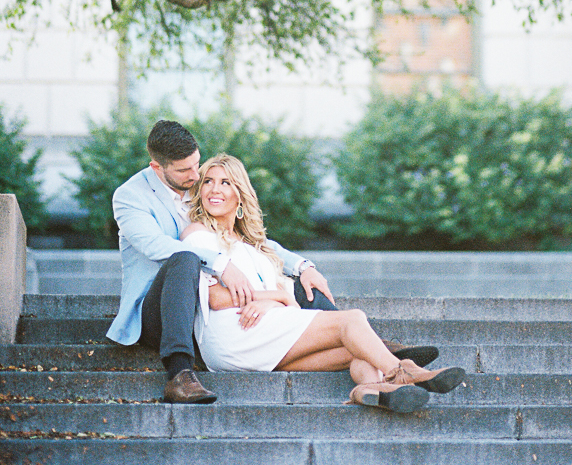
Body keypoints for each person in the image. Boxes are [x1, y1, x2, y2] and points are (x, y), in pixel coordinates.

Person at [106, 120, 436, 404]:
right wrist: (228, 269)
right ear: (157, 167)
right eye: (189, 172)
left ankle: (370, 383)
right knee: (184, 258)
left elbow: (253, 241)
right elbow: (156, 246)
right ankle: (179, 373)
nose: (198, 177)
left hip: (227, 320)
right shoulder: (132, 197)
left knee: (336, 324)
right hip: (162, 306)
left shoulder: (197, 187)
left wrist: (303, 266)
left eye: (199, 167)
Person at [182, 153, 467, 413]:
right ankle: (402, 371)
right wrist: (277, 298)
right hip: (233, 333)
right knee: (352, 320)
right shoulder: (198, 233)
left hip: (262, 340)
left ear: (240, 195)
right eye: (207, 181)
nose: (214, 189)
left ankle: (371, 388)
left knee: (357, 349)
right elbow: (216, 298)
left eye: (225, 182)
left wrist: (280, 292)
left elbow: (286, 297)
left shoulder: (254, 246)